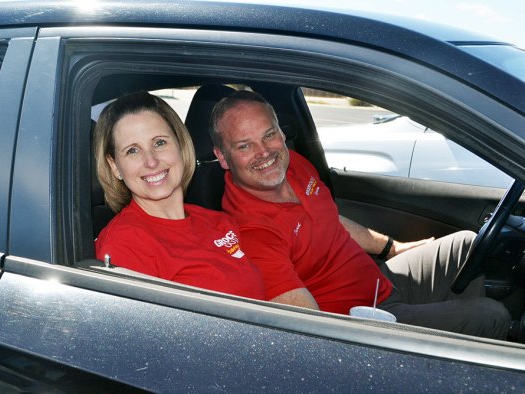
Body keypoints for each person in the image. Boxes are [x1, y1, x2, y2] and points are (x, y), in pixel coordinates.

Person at [209, 89, 512, 339]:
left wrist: (392, 247)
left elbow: (329, 218)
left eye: (269, 135)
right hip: (366, 320)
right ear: (222, 157)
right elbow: (309, 331)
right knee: (491, 315)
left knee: (465, 245)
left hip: (380, 281)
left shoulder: (294, 165)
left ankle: (450, 349)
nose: (265, 152)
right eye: (244, 145)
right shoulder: (251, 234)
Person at [94, 91, 265, 300]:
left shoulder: (219, 221)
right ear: (114, 167)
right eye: (132, 150)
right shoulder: (123, 246)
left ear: (180, 145)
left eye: (159, 143)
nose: (151, 161)